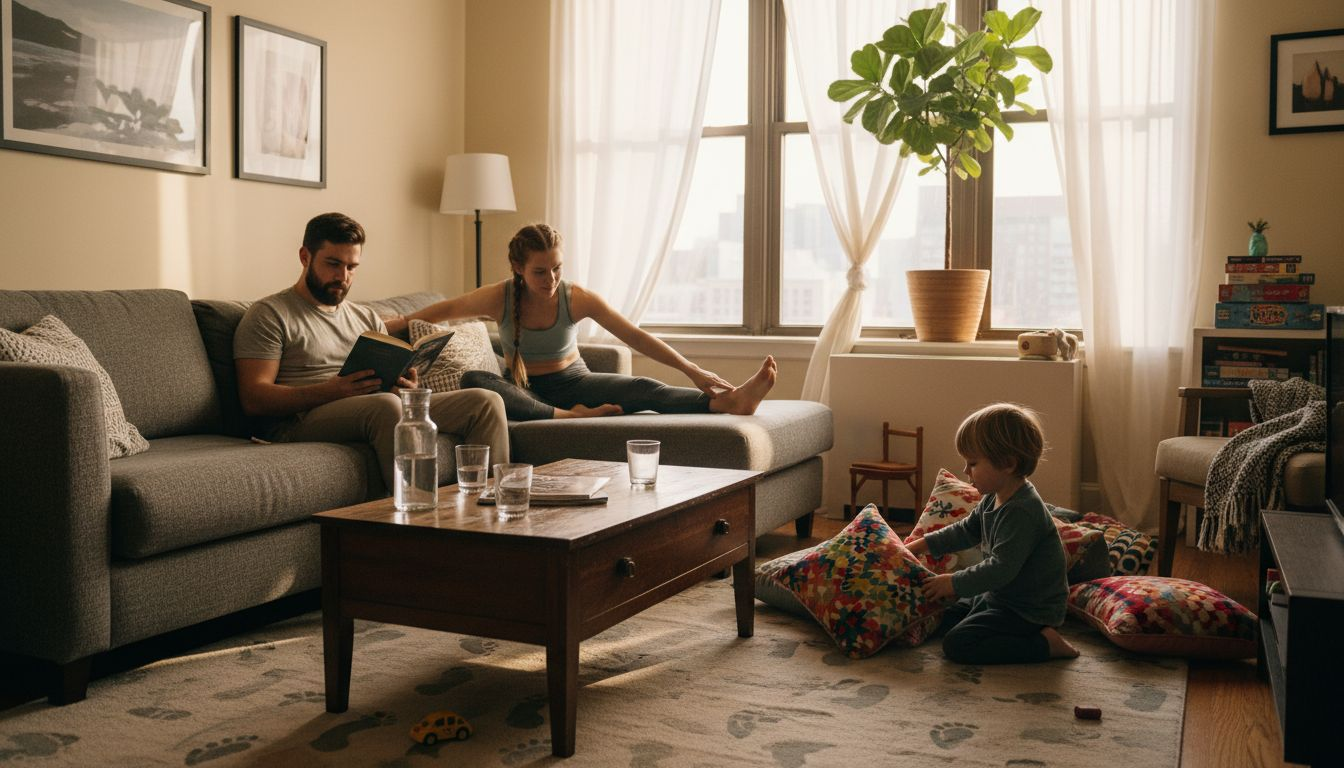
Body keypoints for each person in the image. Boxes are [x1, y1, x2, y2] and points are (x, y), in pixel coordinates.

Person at [234, 212, 509, 496]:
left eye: (352, 267)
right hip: (302, 419)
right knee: (386, 407)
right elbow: (254, 398)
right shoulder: (270, 314)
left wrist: (406, 386)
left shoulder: (365, 318)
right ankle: (421, 516)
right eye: (333, 264)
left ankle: (490, 510)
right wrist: (333, 391)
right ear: (305, 257)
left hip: (367, 404)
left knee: (485, 402)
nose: (343, 276)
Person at [385, 223, 777, 421]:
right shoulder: (499, 296)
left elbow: (635, 337)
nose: (551, 280)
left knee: (642, 388)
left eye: (557, 268)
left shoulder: (577, 297)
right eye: (540, 272)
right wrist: (398, 323)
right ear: (518, 269)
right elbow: (442, 310)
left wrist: (692, 371)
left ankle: (727, 402)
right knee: (475, 381)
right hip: (525, 391)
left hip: (574, 380)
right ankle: (568, 418)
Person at [906, 403, 1078, 665]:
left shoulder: (1022, 511)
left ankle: (1044, 644)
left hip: (1028, 610)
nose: (965, 471)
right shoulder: (993, 497)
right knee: (942, 612)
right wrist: (920, 545)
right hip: (1001, 597)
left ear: (1008, 464)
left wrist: (952, 581)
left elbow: (1001, 569)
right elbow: (965, 531)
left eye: (973, 463)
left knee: (958, 644)